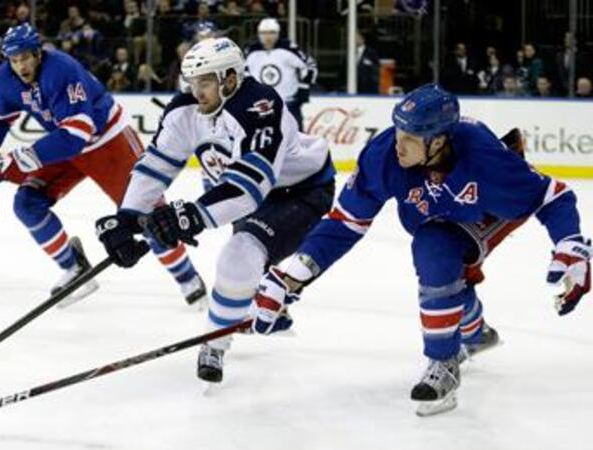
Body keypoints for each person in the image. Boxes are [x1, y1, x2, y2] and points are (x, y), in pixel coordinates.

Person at [251, 84, 590, 416]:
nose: (399, 144)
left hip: (488, 213)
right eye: (398, 131)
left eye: (412, 138)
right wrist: (291, 275)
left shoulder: (485, 160)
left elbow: (553, 195)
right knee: (441, 265)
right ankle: (475, 331)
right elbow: (345, 222)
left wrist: (569, 243)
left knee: (434, 252)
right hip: (438, 215)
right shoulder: (384, 154)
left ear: (440, 140)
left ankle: (443, 363)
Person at [96, 37, 336, 383]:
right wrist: (127, 217)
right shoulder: (185, 111)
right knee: (243, 263)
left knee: (239, 256)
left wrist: (190, 216)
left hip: (300, 191)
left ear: (231, 79)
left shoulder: (260, 106)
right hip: (244, 193)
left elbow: (251, 186)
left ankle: (215, 341)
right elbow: (156, 167)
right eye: (192, 82)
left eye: (205, 82)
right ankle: (265, 301)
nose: (197, 91)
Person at [0, 24, 205, 306]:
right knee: (27, 203)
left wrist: (19, 160)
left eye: (25, 57)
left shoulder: (61, 69)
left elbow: (75, 136)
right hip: (67, 144)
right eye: (14, 59)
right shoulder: (7, 79)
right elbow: (0, 116)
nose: (20, 65)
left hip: (108, 141)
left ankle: (187, 277)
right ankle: (74, 267)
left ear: (37, 52)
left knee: (149, 215)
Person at [244, 18, 317, 130]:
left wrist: (304, 87)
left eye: (272, 33)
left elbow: (310, 66)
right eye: (264, 33)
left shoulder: (288, 48)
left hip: (288, 104)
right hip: (260, 106)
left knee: (297, 140)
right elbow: (243, 73)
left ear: (278, 33)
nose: (268, 37)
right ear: (258, 34)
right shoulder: (251, 51)